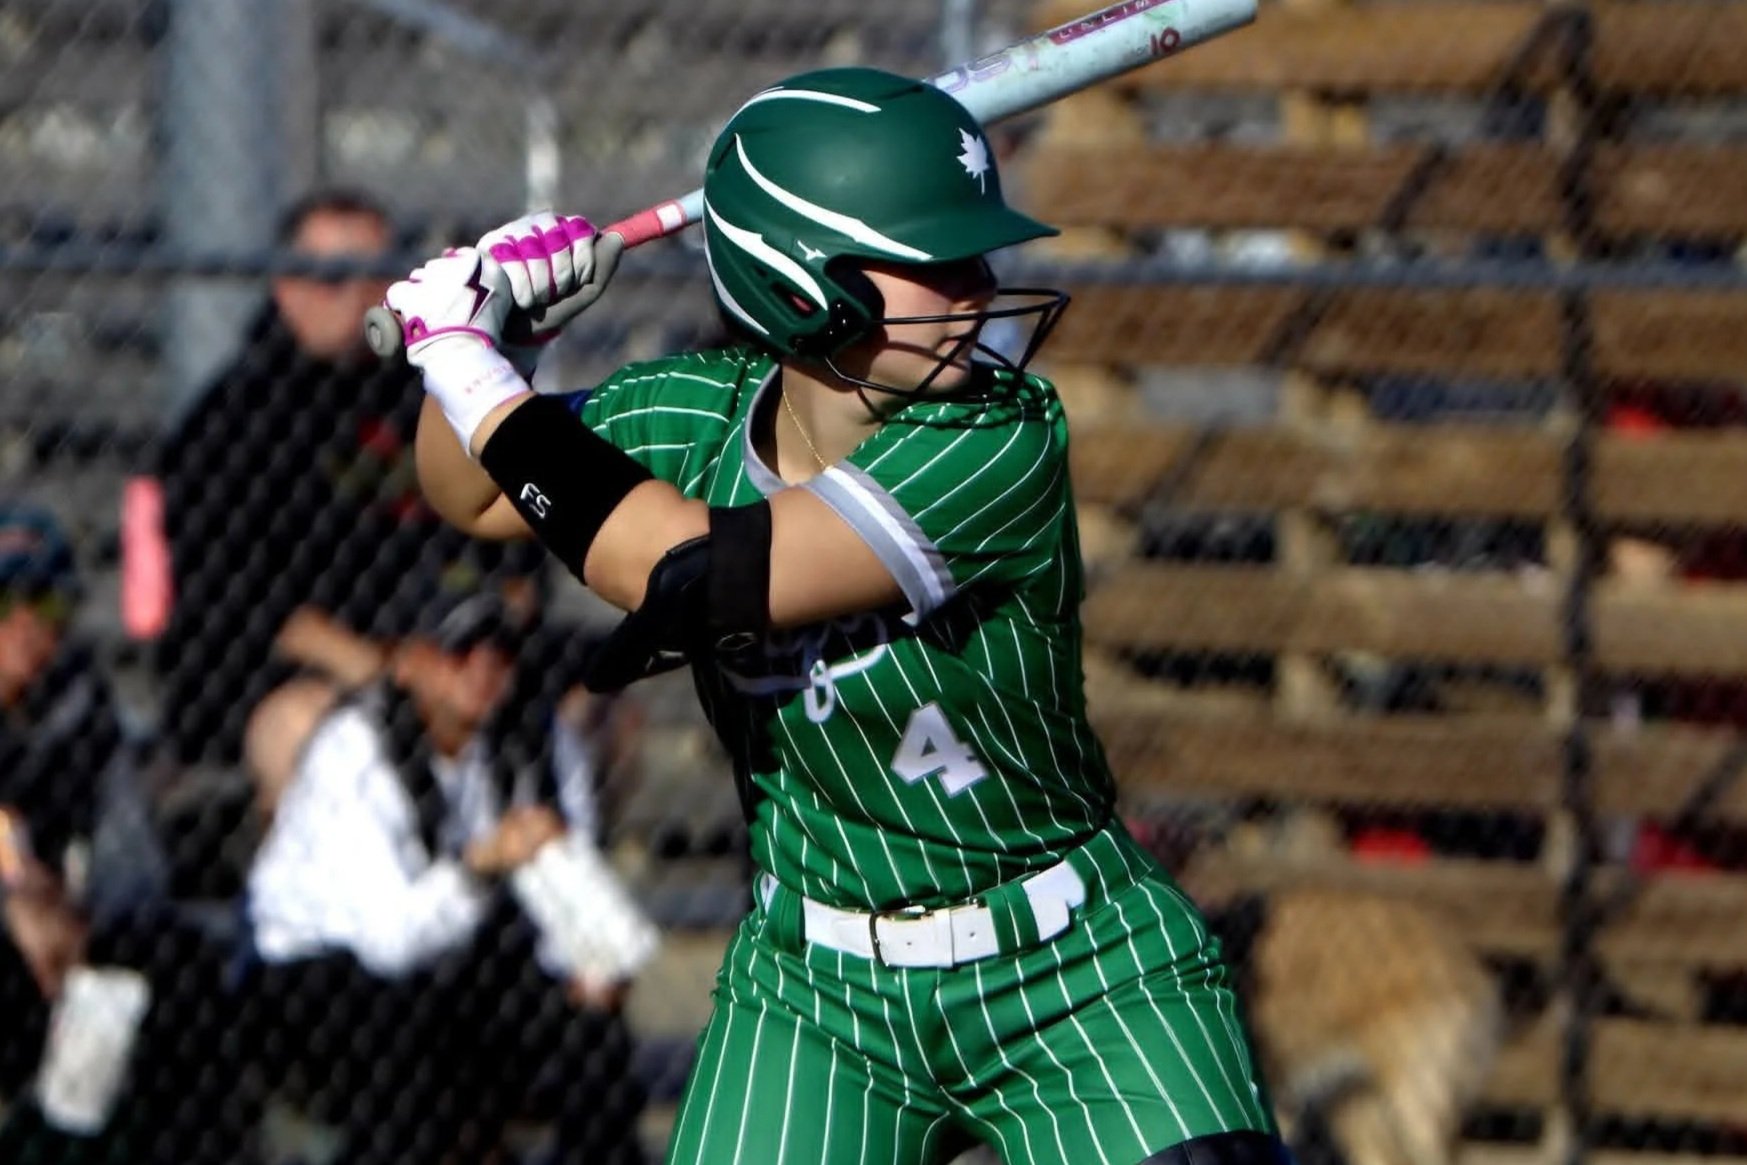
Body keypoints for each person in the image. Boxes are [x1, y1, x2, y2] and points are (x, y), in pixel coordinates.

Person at [393, 67, 1283, 1165]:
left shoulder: (997, 435)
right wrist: (502, 344)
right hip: (818, 988)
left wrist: (463, 362)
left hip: (1073, 961)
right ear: (796, 282)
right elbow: (475, 491)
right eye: (934, 264)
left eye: (976, 257)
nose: (977, 288)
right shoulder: (696, 412)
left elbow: (683, 569)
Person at [243, 576, 649, 1165]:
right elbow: (390, 941)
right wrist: (480, 865)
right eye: (459, 651)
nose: (483, 669)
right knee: (400, 1025)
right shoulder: (354, 750)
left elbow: (571, 870)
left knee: (590, 1034)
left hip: (450, 967)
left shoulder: (537, 743)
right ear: (409, 664)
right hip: (317, 983)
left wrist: (590, 964)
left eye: (500, 651)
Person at [149, 187, 509, 777]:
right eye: (335, 277)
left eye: (378, 275)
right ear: (287, 287)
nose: (362, 296)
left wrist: (472, 657)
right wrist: (386, 669)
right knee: (309, 725)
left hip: (447, 656)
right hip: (275, 680)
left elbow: (511, 552)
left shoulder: (433, 398)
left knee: (596, 709)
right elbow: (241, 601)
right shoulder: (235, 419)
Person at [0, 503, 252, 1165]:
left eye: (46, 605)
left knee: (175, 964)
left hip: (66, 926)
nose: (26, 626)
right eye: (5, 604)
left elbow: (130, 859)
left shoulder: (77, 707)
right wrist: (15, 896)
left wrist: (81, 920)